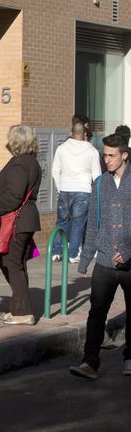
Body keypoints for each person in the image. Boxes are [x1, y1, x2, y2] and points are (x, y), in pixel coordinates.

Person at [70, 133, 131, 380]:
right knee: (96, 312)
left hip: (129, 262)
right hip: (104, 261)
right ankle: (90, 361)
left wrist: (127, 251)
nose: (106, 160)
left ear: (124, 155)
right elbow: (93, 224)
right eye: (104, 154)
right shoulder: (100, 183)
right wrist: (85, 258)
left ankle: (129, 358)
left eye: (111, 155)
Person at [0, 125, 42, 326]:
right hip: (24, 219)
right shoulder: (31, 161)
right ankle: (19, 307)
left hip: (17, 221)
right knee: (16, 264)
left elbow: (14, 196)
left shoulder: (20, 163)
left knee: (11, 263)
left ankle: (23, 312)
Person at [50, 122, 100, 264]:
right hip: (84, 190)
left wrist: (60, 187)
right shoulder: (92, 151)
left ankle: (56, 252)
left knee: (61, 221)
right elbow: (97, 176)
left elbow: (55, 171)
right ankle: (72, 254)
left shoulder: (61, 148)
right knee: (78, 223)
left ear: (71, 133)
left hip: (65, 189)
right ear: (85, 134)